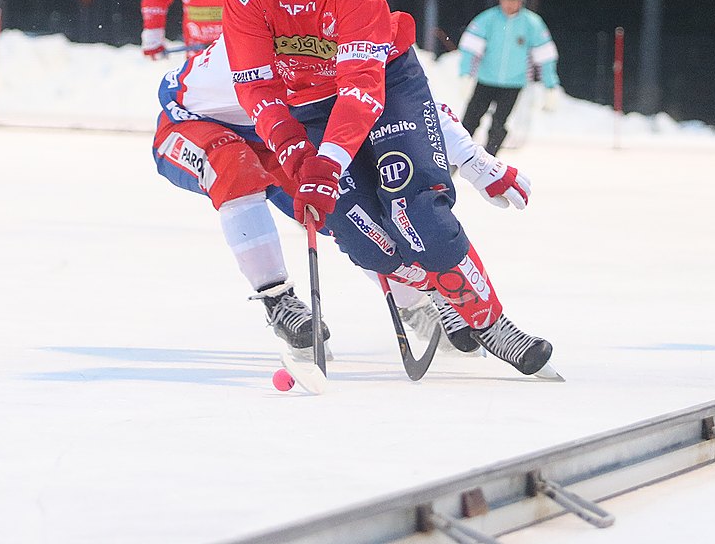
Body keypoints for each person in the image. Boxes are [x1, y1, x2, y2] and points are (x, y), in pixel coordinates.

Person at [221, 0, 556, 377]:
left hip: (386, 88)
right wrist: (294, 153)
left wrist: (328, 166)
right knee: (361, 237)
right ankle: (432, 287)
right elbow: (255, 88)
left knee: (415, 211)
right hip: (309, 110)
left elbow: (360, 90)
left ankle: (490, 323)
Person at [151, 21, 532, 358]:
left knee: (345, 216)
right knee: (235, 169)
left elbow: (411, 106)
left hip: (280, 131)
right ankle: (277, 299)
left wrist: (474, 161)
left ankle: (415, 301)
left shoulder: (341, 33)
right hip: (193, 122)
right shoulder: (264, 54)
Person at [458, 0, 560, 154]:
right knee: (470, 120)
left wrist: (550, 85)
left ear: (521, 0)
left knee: (499, 124)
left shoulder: (532, 23)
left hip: (513, 83)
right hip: (486, 80)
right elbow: (470, 49)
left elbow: (545, 56)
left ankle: (489, 158)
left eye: (515, 0)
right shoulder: (487, 19)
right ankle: (456, 156)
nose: (510, 4)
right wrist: (465, 74)